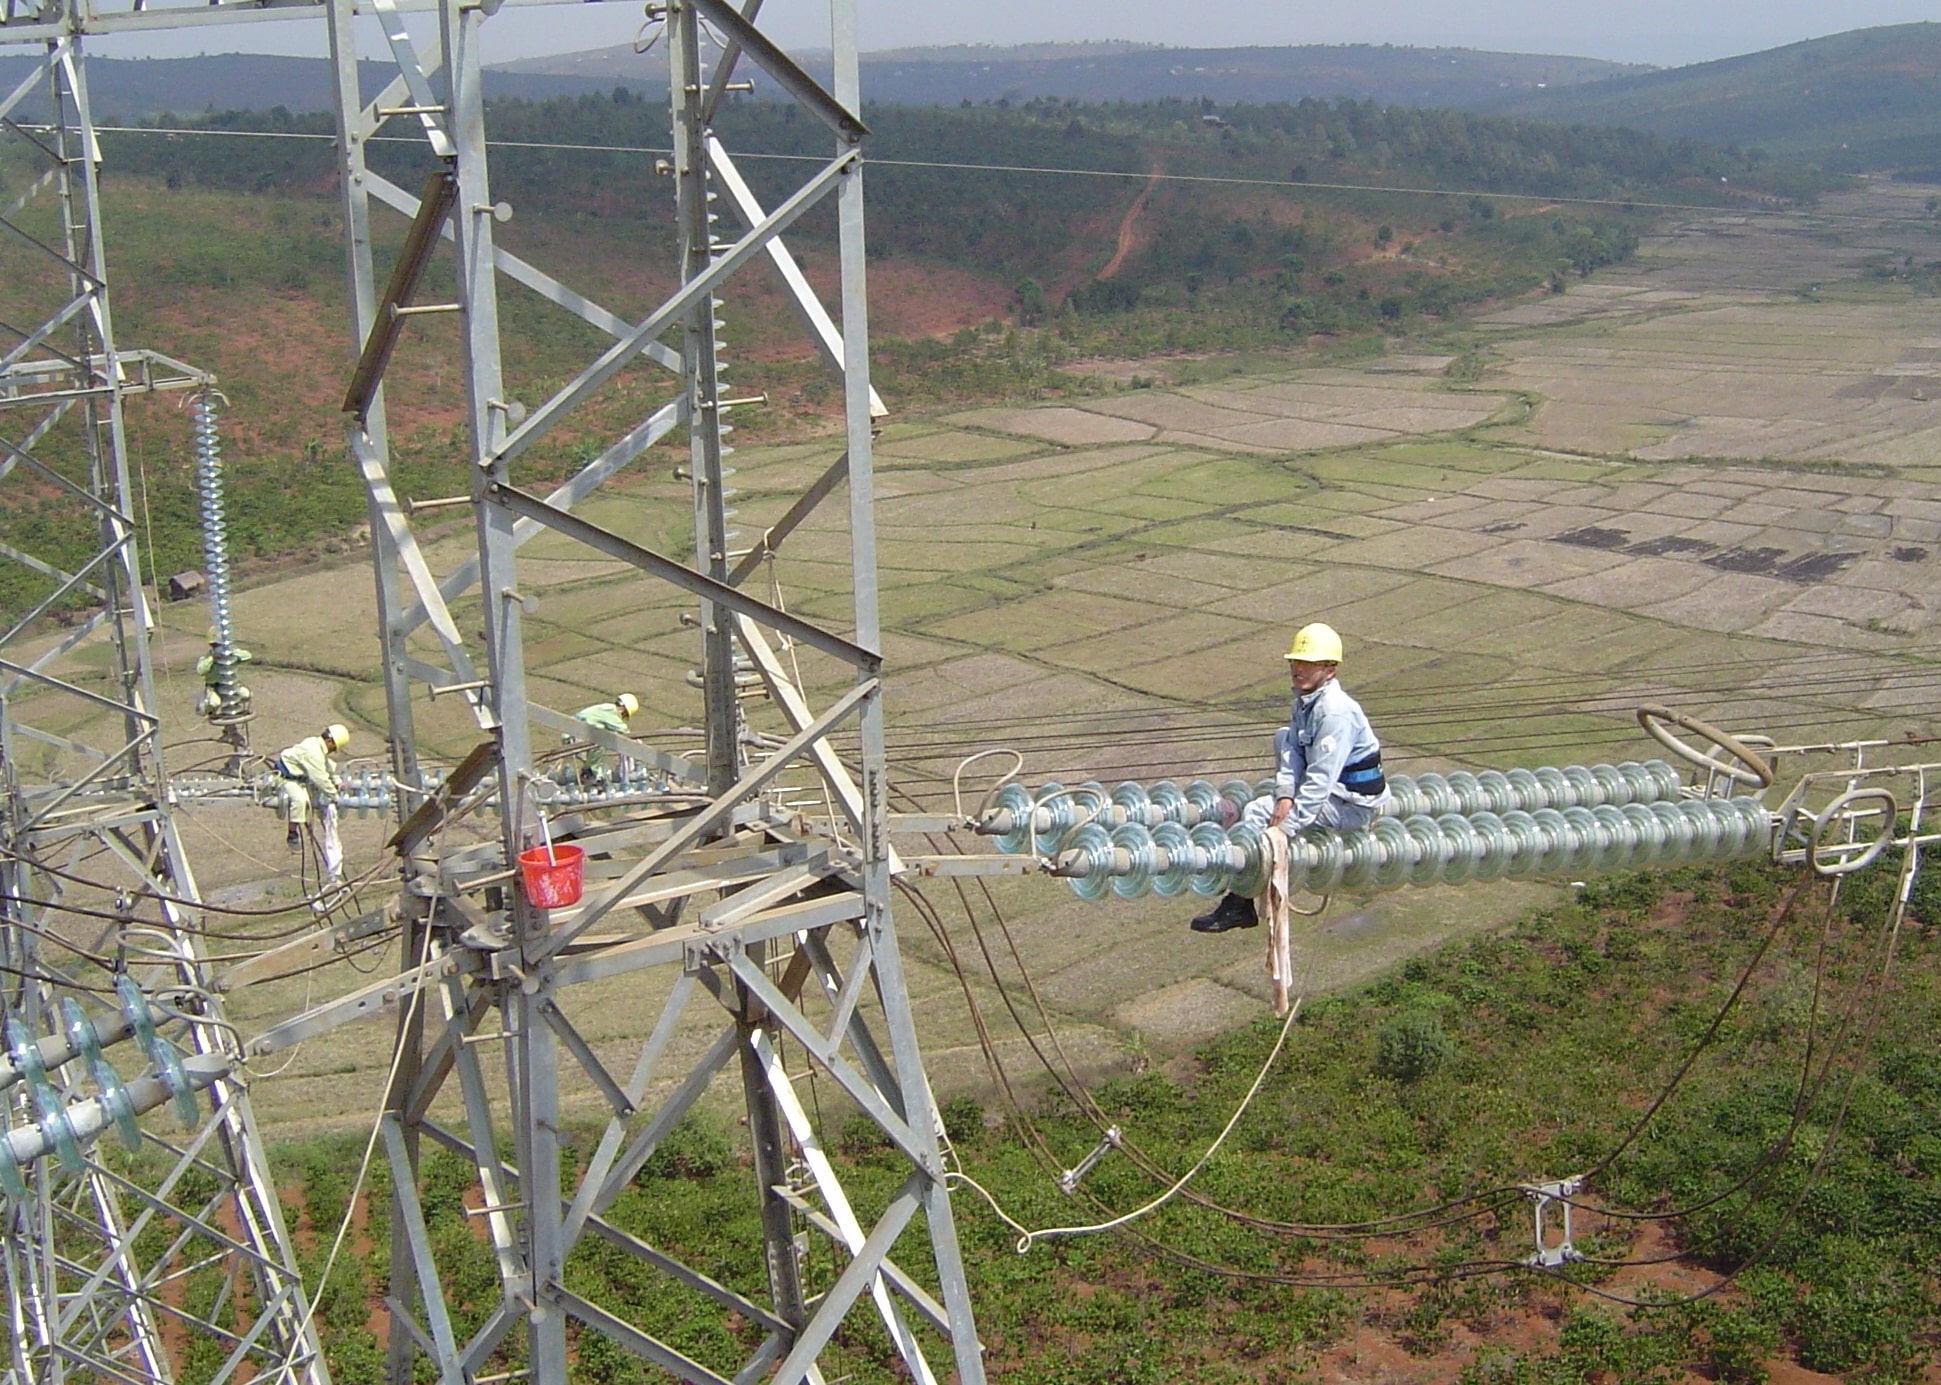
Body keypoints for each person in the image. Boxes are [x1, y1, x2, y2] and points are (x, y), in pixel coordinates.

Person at [1191, 623, 1389, 933]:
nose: (1298, 669)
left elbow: (1321, 780)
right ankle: (1240, 883)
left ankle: (1239, 902)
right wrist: (1285, 795)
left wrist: (1286, 825)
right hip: (1335, 793)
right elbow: (1292, 750)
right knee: (1282, 738)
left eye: (1308, 663)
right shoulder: (1305, 701)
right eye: (1296, 661)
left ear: (1330, 669)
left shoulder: (1334, 712)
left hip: (1351, 805)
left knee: (1258, 812)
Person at [277, 723, 348, 884]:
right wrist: (334, 795)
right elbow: (320, 778)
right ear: (330, 741)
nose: (332, 751)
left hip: (302, 779)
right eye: (334, 747)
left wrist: (336, 781)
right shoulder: (313, 751)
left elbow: (327, 768)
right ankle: (292, 834)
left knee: (308, 801)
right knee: (300, 801)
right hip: (287, 778)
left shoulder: (318, 748)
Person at [570, 693, 639, 784]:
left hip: (574, 732)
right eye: (625, 715)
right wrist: (636, 743)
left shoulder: (605, 710)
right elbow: (622, 730)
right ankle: (590, 773)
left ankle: (590, 773)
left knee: (598, 746)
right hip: (576, 734)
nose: (623, 717)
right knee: (598, 744)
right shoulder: (611, 711)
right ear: (623, 709)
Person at [194, 626, 252, 718]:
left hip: (231, 686)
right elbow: (200, 670)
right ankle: (207, 709)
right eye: (213, 645)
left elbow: (248, 656)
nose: (216, 647)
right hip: (214, 687)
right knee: (214, 703)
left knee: (246, 694)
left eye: (218, 644)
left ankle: (235, 709)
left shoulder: (231, 653)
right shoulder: (208, 657)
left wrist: (232, 654)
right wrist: (212, 659)